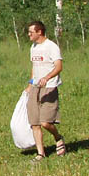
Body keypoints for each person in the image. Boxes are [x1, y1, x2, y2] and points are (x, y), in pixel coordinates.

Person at [26, 20, 65, 161]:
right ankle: (40, 154)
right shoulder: (33, 47)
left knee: (45, 122)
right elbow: (34, 67)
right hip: (35, 87)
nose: (28, 34)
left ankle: (58, 137)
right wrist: (30, 84)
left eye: (31, 32)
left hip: (49, 87)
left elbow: (58, 66)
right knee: (34, 123)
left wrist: (47, 78)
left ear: (39, 32)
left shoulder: (51, 47)